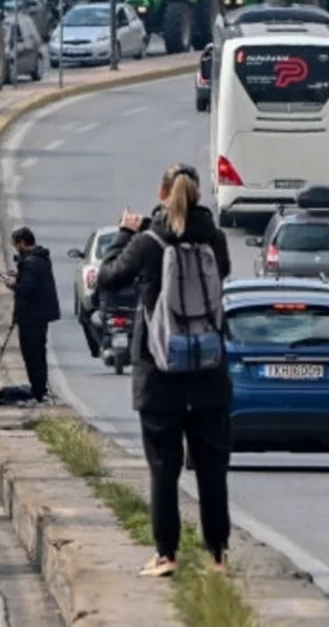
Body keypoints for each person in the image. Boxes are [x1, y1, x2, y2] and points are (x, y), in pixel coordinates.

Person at [96, 163, 233, 578]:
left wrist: (126, 233)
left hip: (159, 372)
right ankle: (217, 556)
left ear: (162, 193)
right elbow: (221, 274)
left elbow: (107, 278)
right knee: (212, 468)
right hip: (209, 370)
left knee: (163, 468)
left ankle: (166, 554)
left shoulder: (148, 242)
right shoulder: (215, 238)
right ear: (199, 196)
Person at [3, 227, 60, 404]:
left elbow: (27, 288)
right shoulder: (40, 258)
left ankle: (37, 391)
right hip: (40, 316)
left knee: (32, 354)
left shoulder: (31, 262)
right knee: (39, 353)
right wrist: (19, 275)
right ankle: (39, 388)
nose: (15, 249)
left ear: (22, 242)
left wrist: (12, 284)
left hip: (30, 317)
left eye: (15, 245)